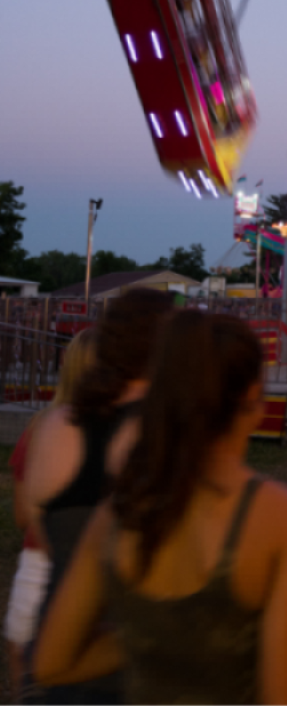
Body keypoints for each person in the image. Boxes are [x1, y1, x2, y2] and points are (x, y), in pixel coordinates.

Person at [34, 310, 287, 706]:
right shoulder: (284, 520)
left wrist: (147, 636)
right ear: (254, 402)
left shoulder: (117, 512)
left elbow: (52, 664)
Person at [25, 288, 174, 705]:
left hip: (62, 644)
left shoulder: (53, 427)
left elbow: (46, 535)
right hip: (139, 656)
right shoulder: (165, 431)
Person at [5, 330, 95, 704]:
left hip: (44, 562)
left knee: (23, 655)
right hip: (87, 564)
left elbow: (24, 514)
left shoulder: (42, 426)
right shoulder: (129, 431)